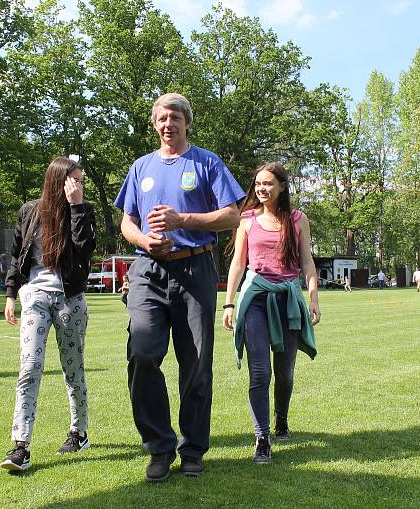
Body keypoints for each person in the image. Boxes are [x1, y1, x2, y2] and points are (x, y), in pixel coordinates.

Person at [115, 93, 245, 482]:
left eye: (174, 117)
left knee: (196, 364)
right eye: (161, 118)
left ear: (187, 122)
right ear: (154, 124)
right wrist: (143, 241)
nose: (167, 124)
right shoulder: (141, 168)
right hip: (148, 272)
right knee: (141, 353)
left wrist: (182, 219)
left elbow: (232, 216)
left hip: (195, 270)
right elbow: (127, 222)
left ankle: (192, 450)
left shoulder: (207, 162)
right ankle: (158, 447)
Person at [0, 157, 97, 473]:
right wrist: (11, 294)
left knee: (73, 368)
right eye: (74, 180)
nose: (78, 185)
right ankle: (20, 447)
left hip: (70, 299)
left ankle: (78, 432)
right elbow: (17, 256)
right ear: (58, 180)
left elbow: (85, 249)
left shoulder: (82, 209)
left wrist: (77, 207)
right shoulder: (30, 211)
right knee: (29, 366)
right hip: (35, 298)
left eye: (80, 181)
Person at [222, 162, 320, 464]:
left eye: (268, 184)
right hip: (256, 300)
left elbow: (307, 263)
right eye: (258, 184)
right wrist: (228, 303)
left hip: (288, 300)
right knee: (260, 371)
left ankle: (281, 418)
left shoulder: (297, 219)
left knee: (285, 373)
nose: (261, 189)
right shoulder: (247, 219)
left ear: (281, 186)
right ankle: (262, 436)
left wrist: (313, 299)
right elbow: (238, 264)